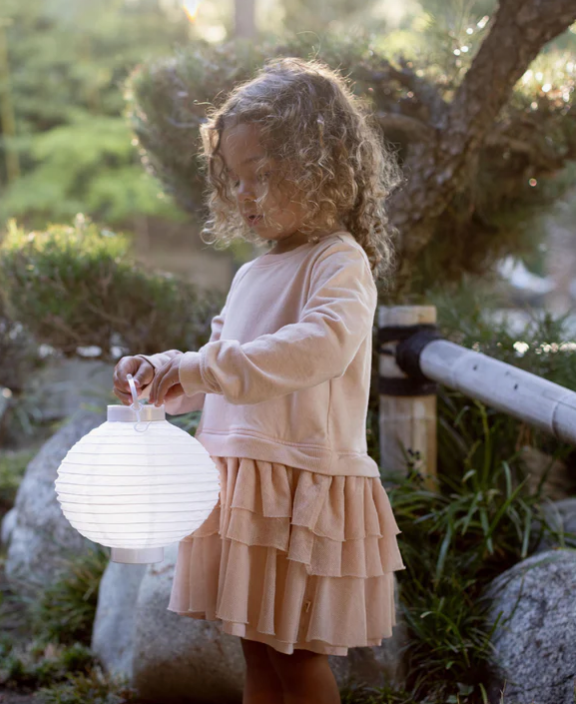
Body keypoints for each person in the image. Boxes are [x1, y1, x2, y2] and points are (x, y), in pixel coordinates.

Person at [113, 56, 407, 704]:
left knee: (296, 657)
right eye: (236, 180)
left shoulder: (339, 261)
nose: (245, 195)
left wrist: (200, 367)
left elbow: (318, 347)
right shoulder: (251, 273)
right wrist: (164, 373)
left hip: (300, 483)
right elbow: (221, 364)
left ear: (322, 167)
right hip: (245, 485)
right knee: (255, 650)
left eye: (263, 176)